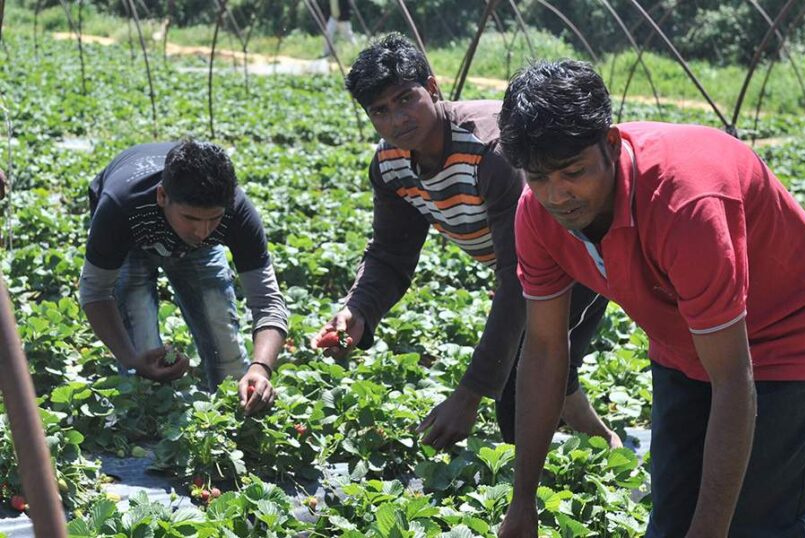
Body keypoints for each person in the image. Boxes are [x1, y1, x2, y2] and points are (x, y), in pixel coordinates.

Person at [496, 60, 805, 537]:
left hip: (783, 334)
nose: (558, 195)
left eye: (573, 172)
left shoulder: (687, 206)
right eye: (538, 178)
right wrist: (522, 502)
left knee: (758, 524)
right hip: (683, 340)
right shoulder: (537, 213)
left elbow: (732, 377)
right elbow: (543, 348)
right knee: (670, 520)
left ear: (611, 145)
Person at [312, 34, 620, 451]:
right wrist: (359, 309)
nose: (397, 119)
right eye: (380, 111)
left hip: (577, 251)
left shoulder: (489, 153)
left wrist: (471, 392)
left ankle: (543, 492)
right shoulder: (390, 164)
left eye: (406, 99)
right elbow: (391, 251)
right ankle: (605, 445)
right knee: (549, 370)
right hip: (528, 268)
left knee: (523, 383)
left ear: (433, 88)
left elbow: (517, 279)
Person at [79, 140, 289, 415]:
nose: (202, 231)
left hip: (198, 255)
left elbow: (268, 301)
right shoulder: (120, 206)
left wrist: (260, 368)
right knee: (144, 364)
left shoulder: (237, 212)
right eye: (191, 218)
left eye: (213, 219)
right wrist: (131, 358)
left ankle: (228, 422)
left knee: (227, 354)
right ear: (162, 195)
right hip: (131, 243)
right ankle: (150, 421)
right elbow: (95, 292)